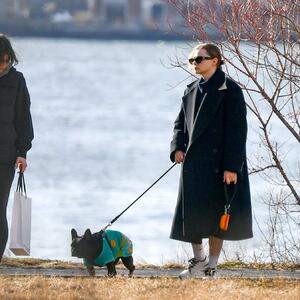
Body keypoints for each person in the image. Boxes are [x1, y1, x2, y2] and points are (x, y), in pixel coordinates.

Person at [170, 43, 252, 278]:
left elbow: (238, 131)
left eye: (199, 59)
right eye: (192, 60)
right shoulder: (190, 89)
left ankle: (212, 266)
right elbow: (180, 124)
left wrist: (231, 167)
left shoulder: (231, 90)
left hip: (221, 166)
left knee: (218, 217)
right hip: (194, 165)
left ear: (215, 60)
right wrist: (178, 147)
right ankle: (198, 260)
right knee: (191, 215)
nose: (195, 63)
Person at [0, 34, 34, 262]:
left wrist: (22, 152)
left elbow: (24, 119)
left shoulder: (17, 80)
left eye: (4, 60)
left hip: (5, 155)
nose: (1, 65)